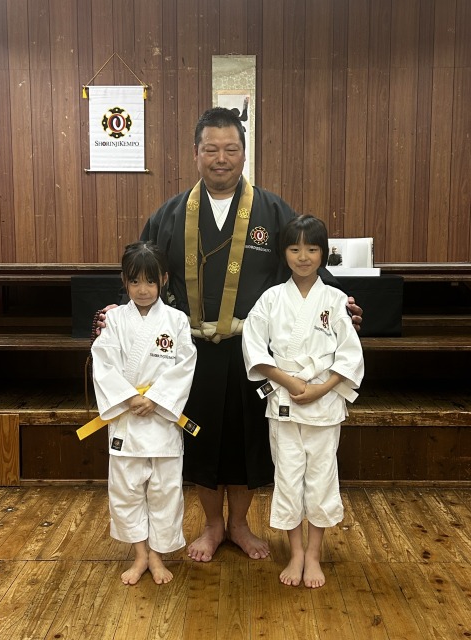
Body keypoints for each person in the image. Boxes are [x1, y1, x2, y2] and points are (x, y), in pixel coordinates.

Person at [99, 107, 362, 563]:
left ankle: (239, 523)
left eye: (231, 149)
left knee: (244, 441)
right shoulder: (169, 214)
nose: (221, 158)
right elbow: (142, 272)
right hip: (189, 350)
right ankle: (212, 525)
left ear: (244, 153)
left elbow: (306, 265)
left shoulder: (272, 210)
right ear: (195, 153)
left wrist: (341, 302)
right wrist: (116, 309)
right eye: (211, 149)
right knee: (203, 440)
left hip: (252, 350)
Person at [242, 215, 364, 587]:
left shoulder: (336, 300)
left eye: (312, 249)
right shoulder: (271, 298)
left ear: (323, 253)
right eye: (294, 249)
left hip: (323, 401)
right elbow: (253, 347)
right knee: (287, 476)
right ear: (284, 253)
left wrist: (321, 389)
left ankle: (314, 554)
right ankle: (295, 552)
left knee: (322, 477)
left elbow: (350, 355)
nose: (303, 257)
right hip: (284, 398)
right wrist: (289, 381)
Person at [91, 241, 197, 585]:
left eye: (150, 281)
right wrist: (128, 398)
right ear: (124, 281)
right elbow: (103, 363)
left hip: (162, 417)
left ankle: (157, 556)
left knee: (165, 491)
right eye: (135, 281)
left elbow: (185, 365)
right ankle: (139, 554)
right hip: (127, 418)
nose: (142, 289)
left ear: (163, 279)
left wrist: (156, 398)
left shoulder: (177, 320)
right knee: (126, 491)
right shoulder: (114, 320)